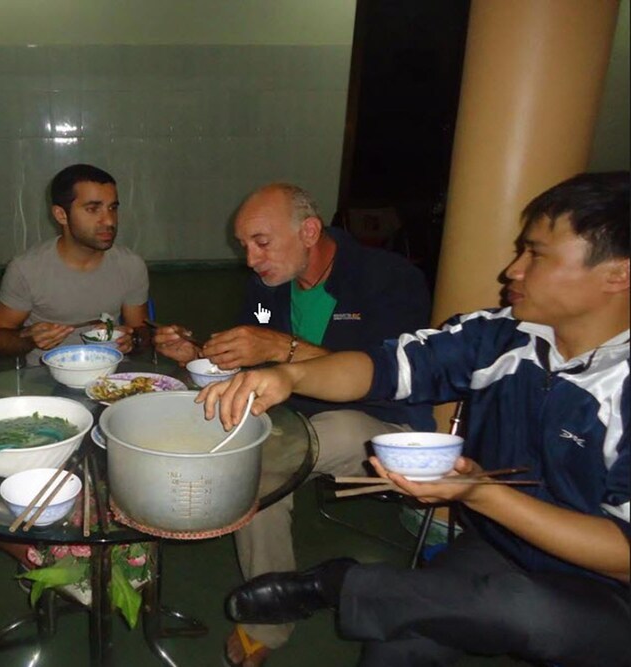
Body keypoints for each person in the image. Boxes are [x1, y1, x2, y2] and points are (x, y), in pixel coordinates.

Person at [200, 172, 630, 667]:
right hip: (500, 545)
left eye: (535, 254)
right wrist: (288, 375)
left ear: (617, 273)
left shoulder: (384, 276)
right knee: (398, 641)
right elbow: (384, 367)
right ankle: (359, 594)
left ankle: (340, 584)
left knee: (522, 608)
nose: (512, 270)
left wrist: (482, 494)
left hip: (605, 587)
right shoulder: (497, 337)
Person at [155, 183, 433, 666]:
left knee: (308, 438)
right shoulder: (269, 289)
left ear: (308, 231)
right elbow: (256, 349)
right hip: (302, 421)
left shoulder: (387, 278)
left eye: (261, 242)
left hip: (385, 426)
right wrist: (199, 354)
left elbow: (386, 380)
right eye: (244, 245)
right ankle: (271, 610)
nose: (251, 259)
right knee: (251, 461)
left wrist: (279, 347)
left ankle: (265, 623)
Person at [0, 163, 149, 365]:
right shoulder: (26, 269)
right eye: (93, 209)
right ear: (61, 215)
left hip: (112, 373)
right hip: (46, 374)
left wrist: (132, 340)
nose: (109, 221)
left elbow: (142, 331)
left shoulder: (130, 265)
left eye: (112, 208)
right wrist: (28, 338)